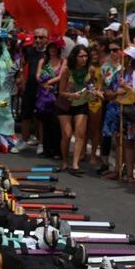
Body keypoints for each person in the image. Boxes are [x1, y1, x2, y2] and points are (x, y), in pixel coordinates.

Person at [102, 46, 135, 184]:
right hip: (118, 111)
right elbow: (108, 93)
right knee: (118, 141)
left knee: (129, 144)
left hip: (132, 112)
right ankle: (117, 170)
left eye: (127, 57)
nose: (124, 59)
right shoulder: (118, 74)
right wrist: (116, 93)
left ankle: (129, 174)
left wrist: (128, 88)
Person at [56, 45, 96, 174]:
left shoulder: (91, 70)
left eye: (86, 56)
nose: (84, 59)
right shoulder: (67, 71)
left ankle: (75, 164)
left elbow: (91, 85)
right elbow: (61, 92)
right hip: (66, 104)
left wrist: (93, 92)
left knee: (80, 134)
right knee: (67, 135)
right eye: (81, 56)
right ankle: (64, 161)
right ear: (75, 57)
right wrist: (72, 95)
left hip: (81, 103)